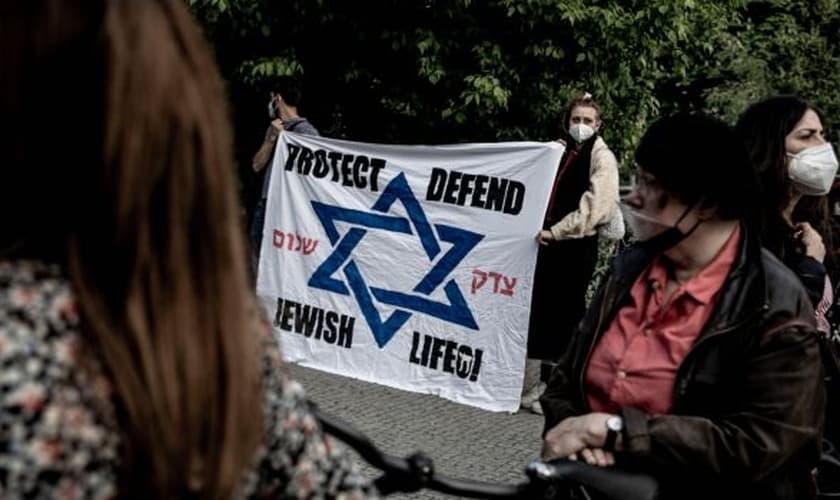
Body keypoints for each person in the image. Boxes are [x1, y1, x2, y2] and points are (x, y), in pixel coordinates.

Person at [0, 0, 373, 498]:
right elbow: (258, 168)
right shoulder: (222, 329)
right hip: (268, 220)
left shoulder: (311, 139)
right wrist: (271, 138)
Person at [539, 113, 824, 499]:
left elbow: (761, 441)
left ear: (704, 202)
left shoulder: (774, 301)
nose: (632, 197)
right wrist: (576, 432)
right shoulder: (630, 266)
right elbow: (565, 378)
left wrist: (614, 431)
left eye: (650, 184)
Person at [736, 95, 840, 494]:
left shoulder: (807, 228)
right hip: (768, 434)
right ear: (770, 148)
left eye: (823, 135)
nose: (823, 149)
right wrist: (811, 269)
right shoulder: (746, 233)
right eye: (807, 136)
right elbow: (768, 319)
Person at [521, 91, 621, 414]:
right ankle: (543, 385)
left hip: (574, 247)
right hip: (550, 244)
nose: (581, 125)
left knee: (564, 318)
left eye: (587, 121)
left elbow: (596, 208)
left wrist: (558, 231)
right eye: (576, 119)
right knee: (546, 316)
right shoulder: (562, 152)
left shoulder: (601, 158)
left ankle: (554, 390)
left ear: (598, 124)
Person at [250, 84, 320, 271]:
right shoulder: (273, 128)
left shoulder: (307, 133)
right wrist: (271, 138)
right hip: (266, 204)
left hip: (288, 208)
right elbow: (257, 165)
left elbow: (311, 175)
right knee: (259, 262)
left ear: (277, 98)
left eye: (271, 98)